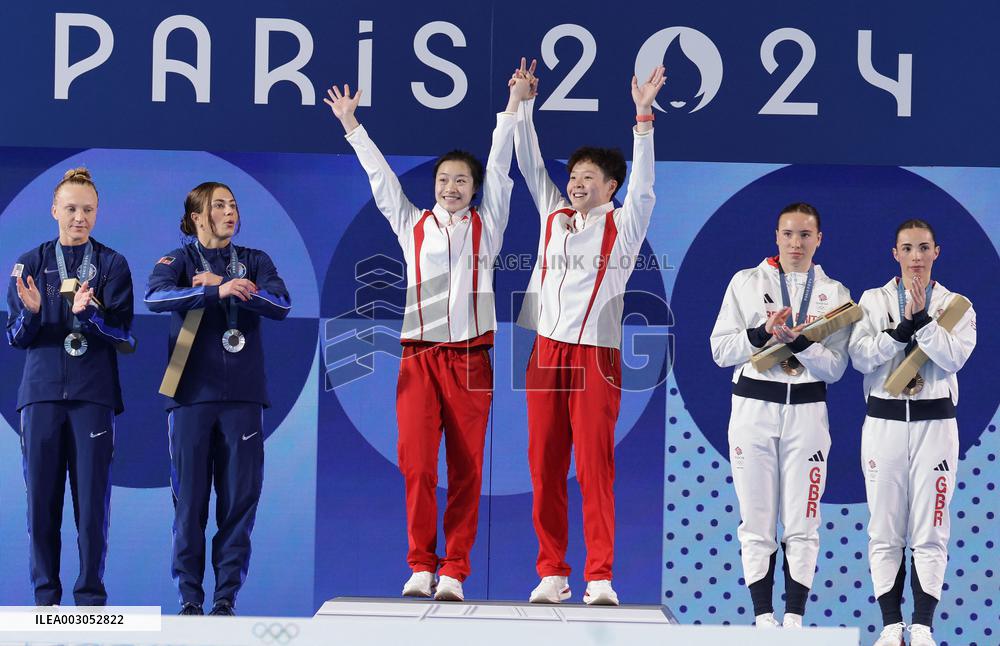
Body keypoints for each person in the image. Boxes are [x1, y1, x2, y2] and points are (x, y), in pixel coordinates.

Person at [322, 61, 530, 602]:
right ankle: (420, 564)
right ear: (434, 186)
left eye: (462, 180)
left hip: (471, 361)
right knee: (417, 465)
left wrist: (511, 110)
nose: (452, 187)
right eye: (443, 180)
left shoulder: (491, 223)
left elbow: (503, 166)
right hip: (418, 358)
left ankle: (455, 570)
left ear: (475, 188)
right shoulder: (412, 224)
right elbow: (381, 180)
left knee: (465, 471)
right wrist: (352, 125)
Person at [512, 63, 666, 606]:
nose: (576, 184)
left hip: (596, 357)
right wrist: (524, 103)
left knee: (593, 469)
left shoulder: (624, 226)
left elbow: (645, 186)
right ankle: (552, 571)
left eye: (588, 179)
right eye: (573, 176)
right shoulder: (553, 216)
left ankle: (599, 576)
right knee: (543, 465)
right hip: (543, 352)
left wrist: (643, 118)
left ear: (610, 188)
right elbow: (530, 165)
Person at [144, 182, 291, 615]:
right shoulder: (177, 260)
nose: (230, 212)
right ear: (196, 217)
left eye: (233, 205)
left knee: (239, 499)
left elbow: (281, 304)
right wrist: (214, 292)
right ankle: (189, 596)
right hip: (190, 394)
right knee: (189, 501)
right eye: (219, 205)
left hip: (244, 396)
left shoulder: (255, 261)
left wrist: (227, 281)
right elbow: (154, 296)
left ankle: (226, 596)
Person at [709, 203, 851, 627]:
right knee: (756, 519)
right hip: (754, 408)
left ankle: (794, 618)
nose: (796, 243)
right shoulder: (746, 283)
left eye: (805, 235)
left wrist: (803, 344)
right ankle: (763, 618)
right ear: (776, 236)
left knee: (804, 520)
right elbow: (720, 351)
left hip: (807, 412)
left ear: (819, 239)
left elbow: (837, 369)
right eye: (788, 234)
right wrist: (761, 334)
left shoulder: (836, 294)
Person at [6, 167, 134, 606]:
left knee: (92, 505)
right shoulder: (30, 263)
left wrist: (93, 314)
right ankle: (45, 600)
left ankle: (90, 599)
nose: (79, 217)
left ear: (97, 213)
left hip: (93, 396)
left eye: (88, 210)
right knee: (41, 503)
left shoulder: (113, 264)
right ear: (54, 210)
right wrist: (35, 312)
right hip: (40, 395)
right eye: (71, 209)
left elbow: (125, 338)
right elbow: (15, 336)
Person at [848, 220, 974, 646]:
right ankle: (889, 625)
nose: (916, 256)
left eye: (924, 247)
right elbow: (861, 358)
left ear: (937, 251)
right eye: (907, 248)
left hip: (935, 425)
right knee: (884, 527)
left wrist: (923, 322)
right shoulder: (871, 300)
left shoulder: (958, 305)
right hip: (883, 422)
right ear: (895, 254)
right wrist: (899, 331)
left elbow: (954, 358)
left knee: (931, 527)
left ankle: (922, 626)